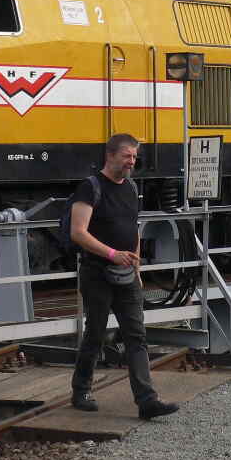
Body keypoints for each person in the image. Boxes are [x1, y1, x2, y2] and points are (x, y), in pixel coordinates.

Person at [69, 133, 178, 420]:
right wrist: (111, 254)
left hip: (127, 275)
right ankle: (81, 390)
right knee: (96, 332)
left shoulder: (130, 187)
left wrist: (137, 269)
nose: (132, 161)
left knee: (136, 335)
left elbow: (133, 230)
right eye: (127, 156)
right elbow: (78, 232)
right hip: (97, 273)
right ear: (110, 155)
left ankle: (147, 401)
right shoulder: (89, 188)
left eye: (134, 156)